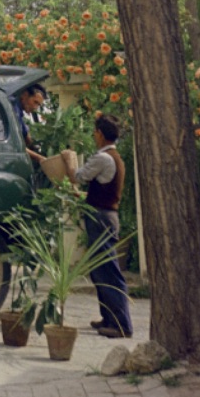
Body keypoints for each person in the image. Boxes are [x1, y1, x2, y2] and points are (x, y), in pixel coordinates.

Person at [62, 114, 132, 339]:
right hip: (105, 216)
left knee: (108, 270)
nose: (94, 136)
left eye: (95, 132)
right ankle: (109, 318)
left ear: (100, 134)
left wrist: (67, 160)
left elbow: (79, 176)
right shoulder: (114, 157)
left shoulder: (103, 158)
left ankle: (121, 324)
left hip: (101, 218)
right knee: (100, 269)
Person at [12, 84, 47, 163]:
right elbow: (16, 145)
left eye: (38, 105)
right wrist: (40, 158)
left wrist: (35, 147)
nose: (35, 107)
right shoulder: (13, 108)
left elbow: (25, 133)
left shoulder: (18, 110)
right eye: (35, 102)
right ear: (25, 95)